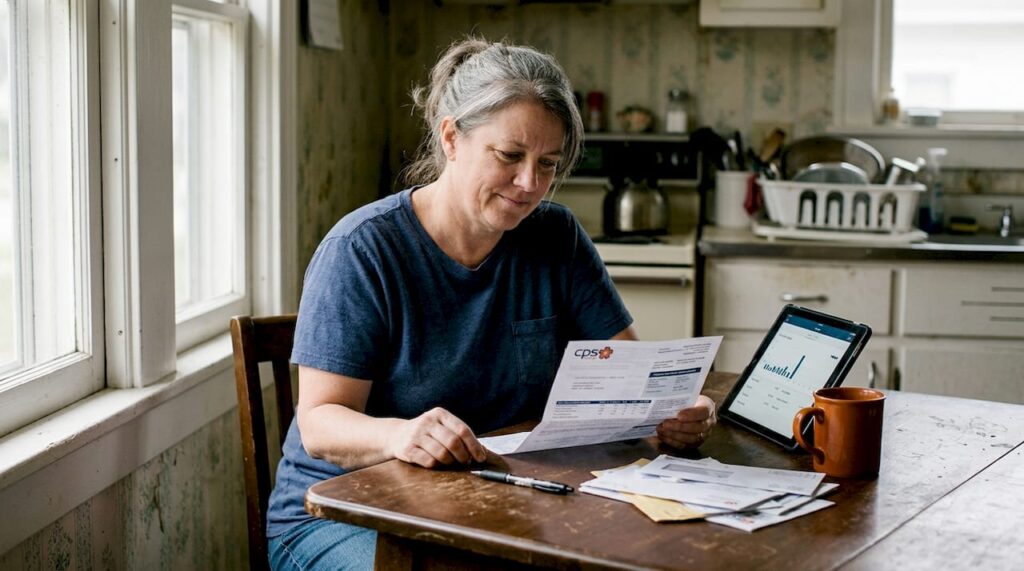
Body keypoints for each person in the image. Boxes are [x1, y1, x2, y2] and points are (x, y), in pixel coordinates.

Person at [265, 37, 717, 571]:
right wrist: (402, 433)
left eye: (548, 164)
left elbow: (633, 379)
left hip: (491, 502)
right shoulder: (363, 249)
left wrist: (678, 409)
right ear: (452, 137)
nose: (530, 185)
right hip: (345, 516)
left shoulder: (557, 238)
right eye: (510, 156)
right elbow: (320, 425)